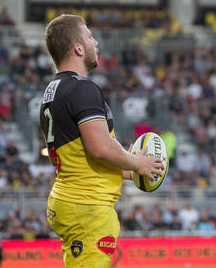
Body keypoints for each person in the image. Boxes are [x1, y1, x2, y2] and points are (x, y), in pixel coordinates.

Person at [40, 14, 164, 268]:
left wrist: (128, 169)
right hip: (88, 206)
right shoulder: (82, 88)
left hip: (72, 198)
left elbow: (81, 150)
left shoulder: (53, 89)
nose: (95, 42)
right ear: (78, 47)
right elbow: (99, 148)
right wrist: (136, 163)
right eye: (89, 36)